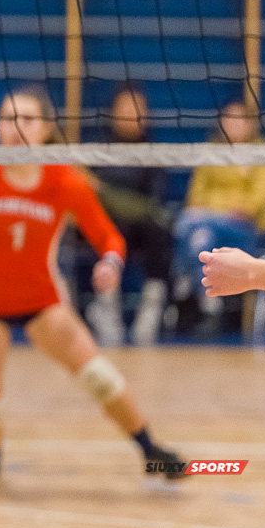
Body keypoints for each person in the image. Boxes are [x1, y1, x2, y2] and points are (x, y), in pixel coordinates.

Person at [0, 85, 185, 482]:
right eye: (7, 119)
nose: (16, 128)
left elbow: (109, 237)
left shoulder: (64, 181)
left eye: (27, 120)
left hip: (42, 301)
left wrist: (111, 262)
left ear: (45, 128)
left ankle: (152, 451)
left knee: (101, 378)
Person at [171, 98, 265, 336]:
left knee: (189, 224)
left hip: (245, 229)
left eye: (240, 119)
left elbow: (255, 202)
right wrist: (215, 211)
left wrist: (217, 210)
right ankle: (210, 304)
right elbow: (195, 197)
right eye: (229, 118)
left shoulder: (261, 152)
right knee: (202, 235)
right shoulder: (212, 152)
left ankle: (185, 282)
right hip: (209, 224)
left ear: (250, 124)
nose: (234, 124)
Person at [81, 83, 173, 347]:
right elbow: (86, 201)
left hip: (142, 232)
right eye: (126, 107)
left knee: (157, 227)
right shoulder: (96, 151)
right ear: (113, 111)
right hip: (105, 232)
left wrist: (104, 191)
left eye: (138, 108)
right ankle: (105, 306)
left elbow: (152, 206)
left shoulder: (154, 154)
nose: (132, 114)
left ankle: (152, 309)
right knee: (108, 225)